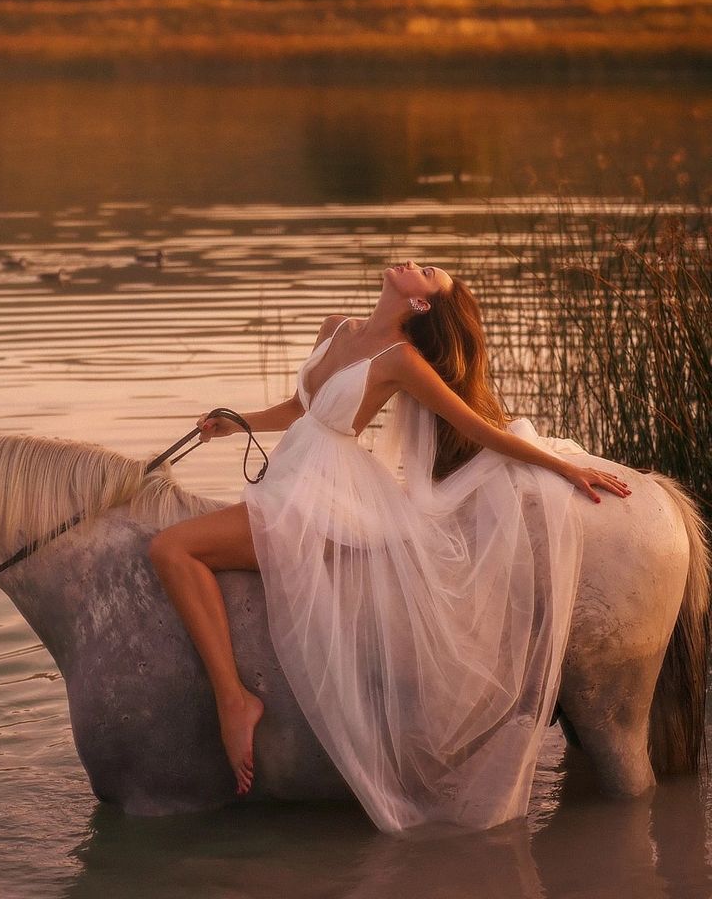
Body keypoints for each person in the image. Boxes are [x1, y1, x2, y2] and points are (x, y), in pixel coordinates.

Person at [148, 260, 631, 832]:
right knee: (177, 547)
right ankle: (234, 696)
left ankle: (234, 700)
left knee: (170, 549)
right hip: (293, 474)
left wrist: (565, 469)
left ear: (421, 304)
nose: (413, 263)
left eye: (428, 272)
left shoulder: (401, 360)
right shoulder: (336, 327)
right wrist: (236, 422)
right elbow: (305, 409)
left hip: (324, 497)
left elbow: (479, 429)